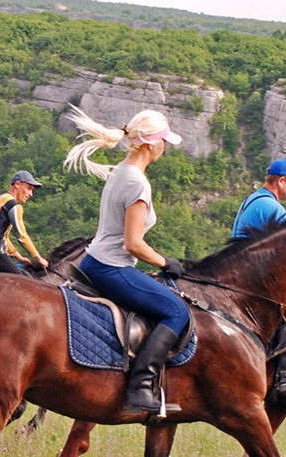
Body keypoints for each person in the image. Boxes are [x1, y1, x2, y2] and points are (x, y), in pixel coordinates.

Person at [64, 106, 189, 413]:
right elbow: (133, 243)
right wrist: (164, 262)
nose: (165, 147)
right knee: (177, 312)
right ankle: (140, 387)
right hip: (112, 267)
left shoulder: (122, 169)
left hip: (94, 260)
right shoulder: (138, 183)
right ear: (149, 142)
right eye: (163, 141)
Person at [230, 158, 286, 397]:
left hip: (240, 270)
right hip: (253, 277)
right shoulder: (273, 208)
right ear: (281, 181)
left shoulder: (253, 199)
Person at [0, 170, 49, 275]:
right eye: (29, 188)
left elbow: (2, 237)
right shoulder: (14, 206)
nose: (31, 194)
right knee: (23, 283)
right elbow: (22, 236)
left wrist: (18, 256)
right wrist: (38, 257)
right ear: (17, 184)